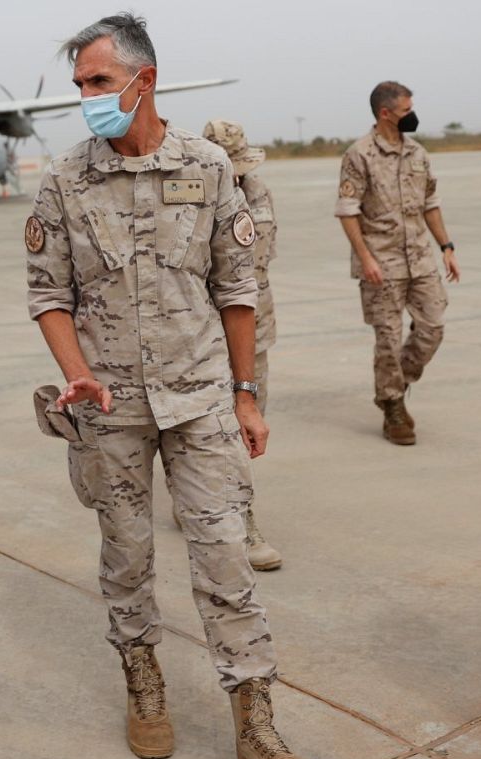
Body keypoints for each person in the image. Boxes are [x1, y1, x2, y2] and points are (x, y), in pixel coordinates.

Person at [27, 13, 317, 759]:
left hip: (201, 403)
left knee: (226, 562)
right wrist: (77, 371)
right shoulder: (64, 181)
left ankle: (256, 724)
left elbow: (238, 287)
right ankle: (143, 681)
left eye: (96, 81)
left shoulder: (209, 167)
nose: (85, 96)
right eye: (80, 83)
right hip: (110, 408)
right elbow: (48, 293)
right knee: (127, 560)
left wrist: (248, 394)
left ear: (141, 80)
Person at [335, 81, 460, 445]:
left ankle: (394, 384)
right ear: (385, 113)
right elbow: (347, 211)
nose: (413, 116)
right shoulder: (359, 155)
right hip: (382, 263)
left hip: (420, 258)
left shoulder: (418, 153)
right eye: (406, 111)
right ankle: (392, 407)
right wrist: (366, 258)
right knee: (387, 339)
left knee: (432, 328)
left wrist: (446, 247)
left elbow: (430, 204)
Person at [202, 119, 281, 571]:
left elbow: (264, 258)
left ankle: (212, 498)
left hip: (256, 329)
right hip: (206, 330)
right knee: (219, 428)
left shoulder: (258, 191)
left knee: (252, 420)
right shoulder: (189, 192)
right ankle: (242, 521)